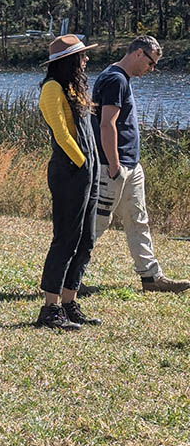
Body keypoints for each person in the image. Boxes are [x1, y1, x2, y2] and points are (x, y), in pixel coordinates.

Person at [90, 36, 190, 293]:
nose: (151, 69)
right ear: (137, 53)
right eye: (151, 62)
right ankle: (69, 279)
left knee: (138, 219)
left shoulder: (121, 79)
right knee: (97, 223)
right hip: (113, 167)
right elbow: (106, 124)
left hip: (130, 165)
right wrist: (114, 166)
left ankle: (151, 277)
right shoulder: (115, 79)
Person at [34, 35, 101, 330]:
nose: (86, 60)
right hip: (69, 172)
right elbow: (61, 135)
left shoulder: (75, 87)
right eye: (82, 56)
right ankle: (49, 309)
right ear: (69, 60)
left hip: (89, 171)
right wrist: (83, 163)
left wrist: (93, 167)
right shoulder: (51, 89)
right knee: (66, 239)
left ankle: (69, 302)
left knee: (85, 239)